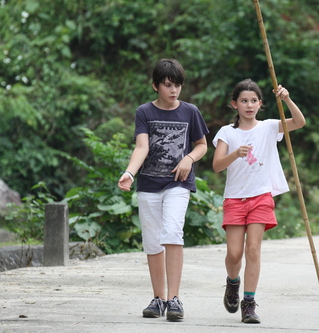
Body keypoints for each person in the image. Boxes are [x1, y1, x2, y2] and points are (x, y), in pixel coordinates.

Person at [118, 59, 209, 322]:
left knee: (172, 232)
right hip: (148, 184)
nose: (174, 90)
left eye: (177, 85)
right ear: (155, 86)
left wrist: (189, 159)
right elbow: (141, 148)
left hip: (177, 184)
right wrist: (129, 173)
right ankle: (158, 298)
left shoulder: (190, 111)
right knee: (153, 240)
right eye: (168, 85)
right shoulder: (144, 112)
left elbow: (202, 145)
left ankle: (174, 299)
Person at [212, 78, 306, 324]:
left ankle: (249, 303)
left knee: (253, 249)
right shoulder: (227, 132)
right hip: (234, 198)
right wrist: (235, 153)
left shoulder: (268, 127)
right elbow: (216, 166)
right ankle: (232, 283)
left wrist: (285, 98)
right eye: (244, 101)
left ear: (261, 104)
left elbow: (299, 122)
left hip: (260, 197)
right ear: (235, 104)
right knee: (234, 254)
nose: (249, 105)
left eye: (254, 101)